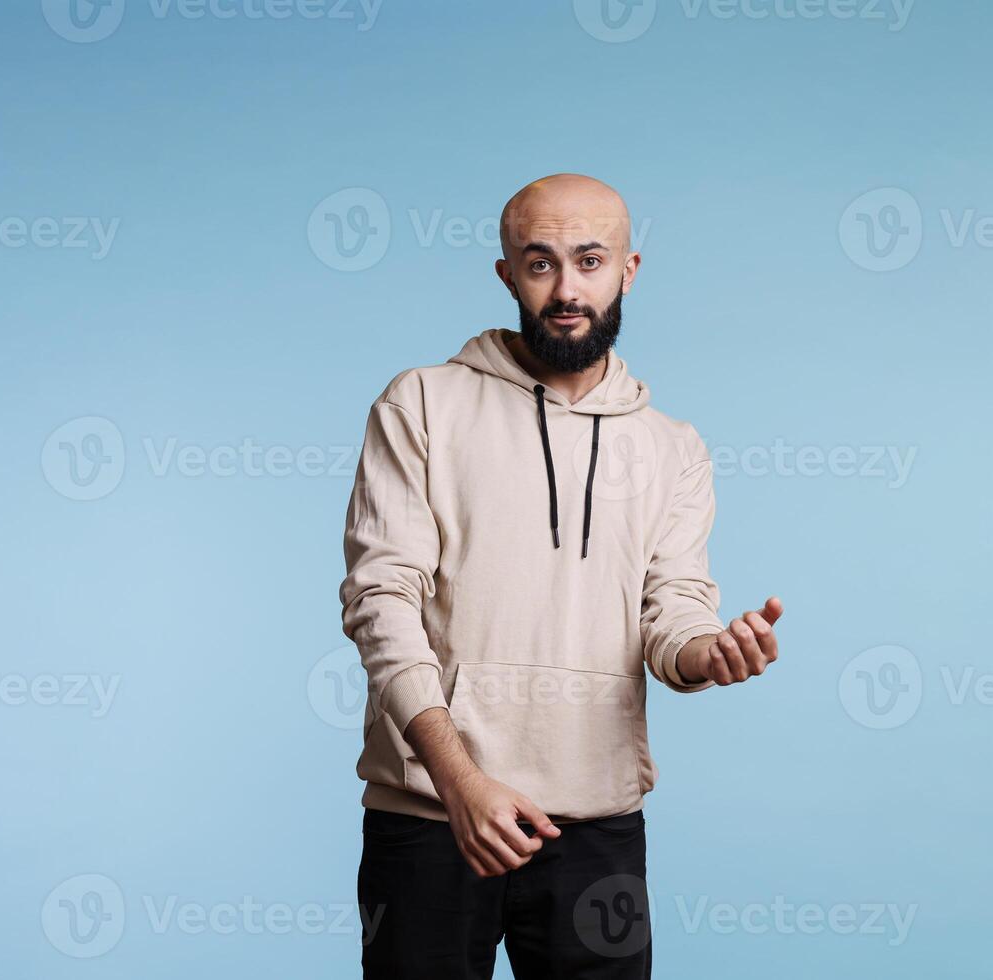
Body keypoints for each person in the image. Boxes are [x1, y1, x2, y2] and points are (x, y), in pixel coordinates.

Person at [339, 173, 784, 979]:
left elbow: (671, 613)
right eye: (540, 264)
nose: (567, 289)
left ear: (629, 268)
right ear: (507, 274)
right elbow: (381, 602)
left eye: (590, 260)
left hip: (596, 828)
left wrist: (709, 654)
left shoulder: (672, 447)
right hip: (433, 819)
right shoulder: (421, 405)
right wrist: (460, 782)